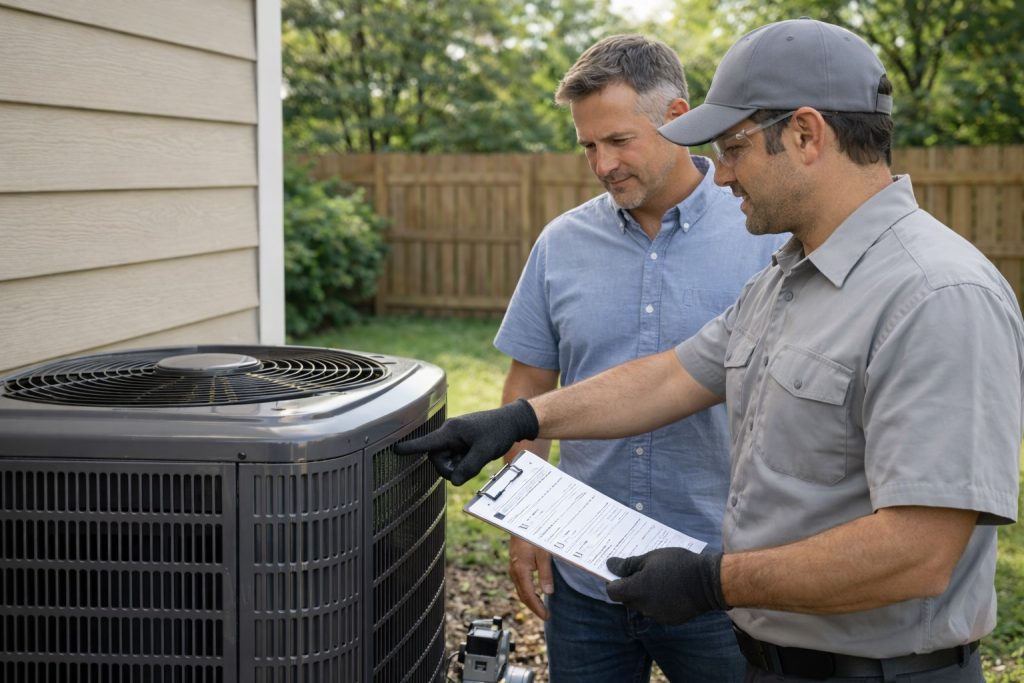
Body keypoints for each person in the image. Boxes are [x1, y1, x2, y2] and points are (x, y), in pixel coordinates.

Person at [396, 18, 1024, 682]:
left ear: (806, 135)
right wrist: (519, 421)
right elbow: (669, 378)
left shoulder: (934, 294)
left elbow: (919, 550)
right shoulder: (787, 278)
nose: (721, 175)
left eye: (733, 147)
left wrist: (712, 581)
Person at [493, 34, 784, 682]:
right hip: (586, 581)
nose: (601, 163)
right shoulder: (560, 244)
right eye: (588, 146)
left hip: (721, 577)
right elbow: (530, 385)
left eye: (618, 140)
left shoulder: (763, 234)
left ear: (677, 117)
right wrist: (523, 522)